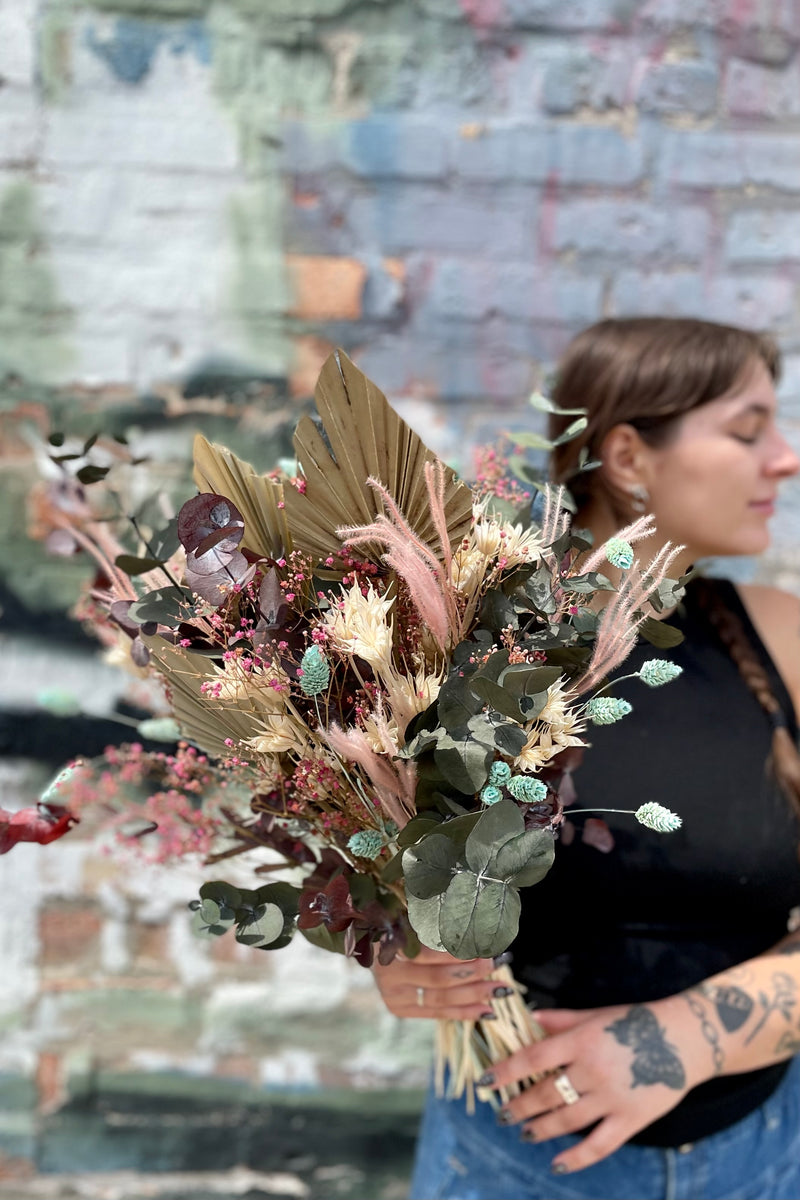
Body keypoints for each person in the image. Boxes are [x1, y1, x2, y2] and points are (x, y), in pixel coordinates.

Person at [373, 317, 800, 1200]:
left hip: (769, 1154)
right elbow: (388, 880)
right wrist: (394, 950)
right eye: (749, 431)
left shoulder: (782, 641)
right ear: (629, 458)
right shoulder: (464, 654)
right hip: (512, 1157)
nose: (785, 459)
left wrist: (685, 1039)